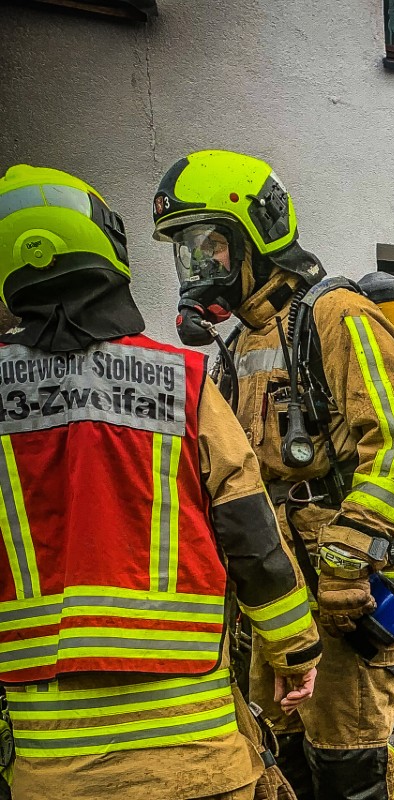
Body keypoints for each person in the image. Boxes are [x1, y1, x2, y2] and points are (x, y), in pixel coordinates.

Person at [0, 164, 321, 800]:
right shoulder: (184, 381)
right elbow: (250, 533)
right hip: (195, 752)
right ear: (109, 252)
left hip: (52, 766)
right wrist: (296, 651)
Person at [152, 150, 394, 800]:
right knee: (282, 766)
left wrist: (345, 563)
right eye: (186, 252)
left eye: (207, 246)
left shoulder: (335, 315)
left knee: (347, 772)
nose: (198, 269)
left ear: (257, 233)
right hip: (283, 611)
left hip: (351, 595)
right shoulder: (245, 342)